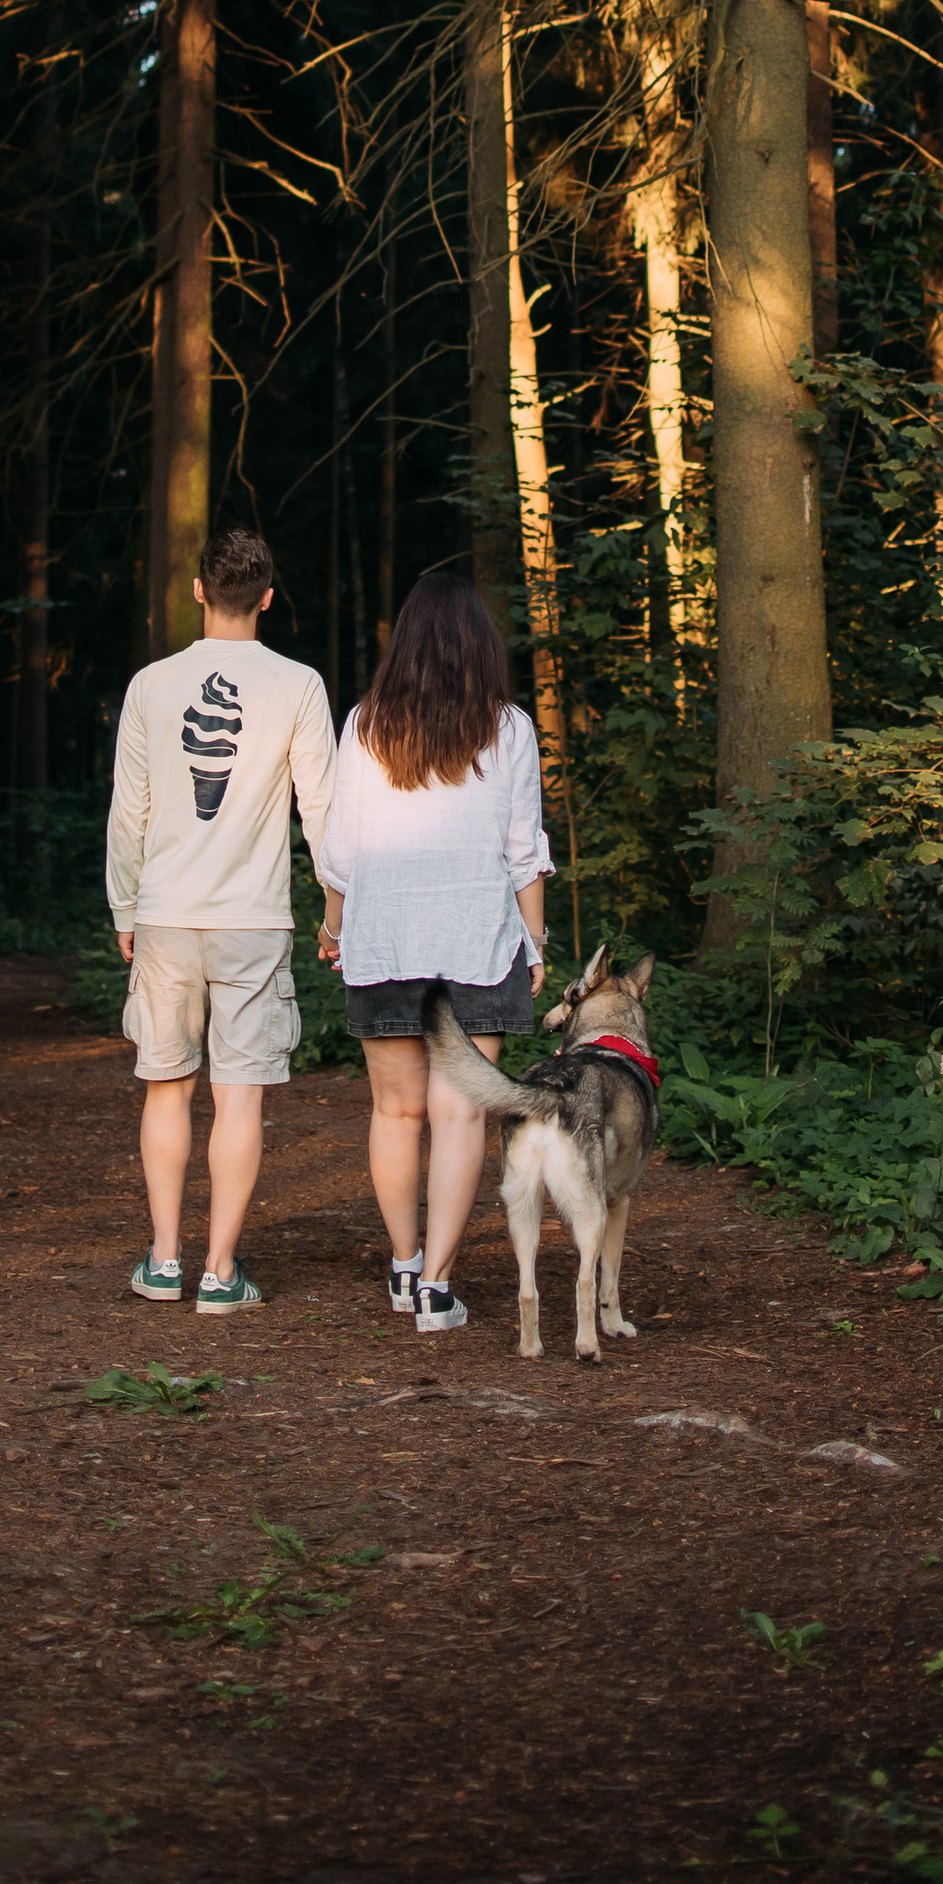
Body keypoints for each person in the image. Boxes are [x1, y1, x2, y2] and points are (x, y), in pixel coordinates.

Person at [106, 522, 336, 1315]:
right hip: (254, 921)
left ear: (199, 591)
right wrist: (337, 909)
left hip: (166, 914)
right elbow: (323, 814)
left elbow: (127, 812)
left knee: (165, 1088)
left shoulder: (149, 685)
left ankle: (164, 1261)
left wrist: (123, 907)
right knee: (241, 1096)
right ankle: (220, 1272)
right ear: (268, 598)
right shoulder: (300, 685)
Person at [316, 571, 549, 1339]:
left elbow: (341, 848)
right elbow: (524, 852)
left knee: (395, 1110)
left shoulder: (365, 725)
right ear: (481, 645)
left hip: (383, 938)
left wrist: (334, 924)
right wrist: (535, 942)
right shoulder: (508, 728)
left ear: (404, 642)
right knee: (458, 1117)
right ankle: (440, 1292)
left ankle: (405, 1264)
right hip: (477, 943)